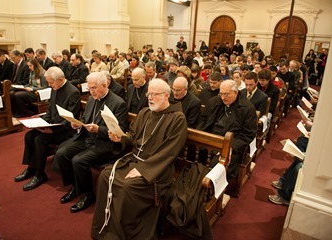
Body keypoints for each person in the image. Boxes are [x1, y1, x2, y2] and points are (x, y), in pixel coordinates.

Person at [91, 79, 188, 239]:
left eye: (154, 94)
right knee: (105, 176)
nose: (150, 97)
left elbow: (169, 152)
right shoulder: (145, 113)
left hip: (157, 169)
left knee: (128, 187)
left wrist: (143, 171)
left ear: (166, 96)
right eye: (148, 93)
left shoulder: (177, 119)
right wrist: (120, 139)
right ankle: (103, 229)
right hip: (134, 159)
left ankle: (124, 233)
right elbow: (133, 137)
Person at [54, 72, 128, 213]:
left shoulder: (118, 103)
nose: (91, 91)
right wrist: (77, 124)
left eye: (94, 88)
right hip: (87, 138)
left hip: (106, 144)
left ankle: (88, 195)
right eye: (89, 88)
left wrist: (98, 129)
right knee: (62, 153)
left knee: (78, 160)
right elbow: (87, 119)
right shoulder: (92, 99)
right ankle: (75, 187)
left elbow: (120, 132)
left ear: (105, 85)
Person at [14, 67, 81, 191]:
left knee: (40, 139)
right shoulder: (55, 88)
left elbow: (71, 119)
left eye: (51, 82)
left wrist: (53, 130)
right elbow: (51, 110)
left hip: (66, 130)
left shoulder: (73, 92)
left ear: (60, 80)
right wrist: (41, 121)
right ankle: (31, 168)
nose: (49, 85)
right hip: (53, 125)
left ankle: (40, 174)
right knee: (29, 135)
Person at [197, 80, 257, 178]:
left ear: (236, 93)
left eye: (226, 94)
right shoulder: (214, 101)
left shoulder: (247, 108)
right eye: (221, 94)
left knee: (216, 167)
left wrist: (230, 147)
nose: (223, 98)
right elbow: (202, 119)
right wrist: (201, 136)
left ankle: (212, 190)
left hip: (230, 146)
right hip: (210, 140)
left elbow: (248, 134)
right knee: (191, 154)